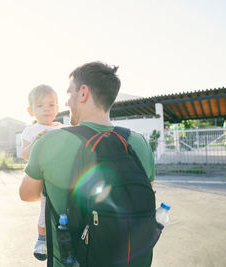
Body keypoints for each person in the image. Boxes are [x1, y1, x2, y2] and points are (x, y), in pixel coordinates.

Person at [19, 61, 155, 267]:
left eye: (69, 93)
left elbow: (26, 194)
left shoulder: (47, 141)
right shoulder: (139, 143)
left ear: (83, 93)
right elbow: (145, 195)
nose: (66, 103)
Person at [21, 84, 63, 261]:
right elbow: (25, 155)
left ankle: (65, 240)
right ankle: (42, 239)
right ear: (31, 111)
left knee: (65, 211)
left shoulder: (63, 128)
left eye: (51, 105)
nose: (47, 109)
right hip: (45, 179)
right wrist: (35, 143)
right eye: (40, 105)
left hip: (64, 176)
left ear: (57, 108)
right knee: (45, 211)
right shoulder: (31, 131)